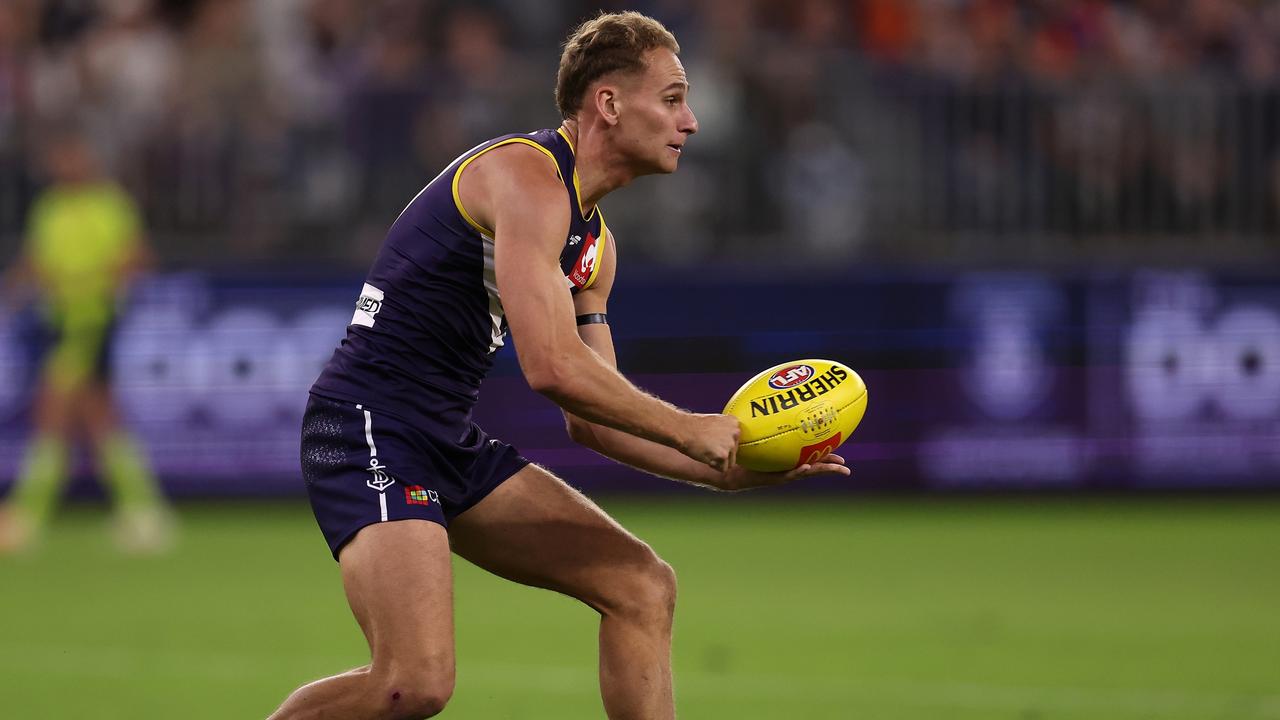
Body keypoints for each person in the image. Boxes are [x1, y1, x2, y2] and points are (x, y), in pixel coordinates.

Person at [270, 11, 849, 720]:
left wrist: (728, 470)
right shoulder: (525, 175)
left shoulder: (595, 248)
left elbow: (592, 422)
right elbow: (550, 365)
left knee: (642, 585)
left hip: (443, 438)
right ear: (608, 103)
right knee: (411, 684)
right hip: (368, 427)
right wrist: (688, 427)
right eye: (671, 98)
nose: (690, 121)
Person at [0, 127, 175, 555]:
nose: (63, 166)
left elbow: (137, 257)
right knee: (99, 420)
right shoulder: (49, 208)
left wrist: (94, 283)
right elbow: (37, 261)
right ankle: (145, 513)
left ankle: (24, 517)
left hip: (92, 323)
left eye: (71, 157)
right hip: (59, 323)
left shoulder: (109, 204)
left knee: (54, 412)